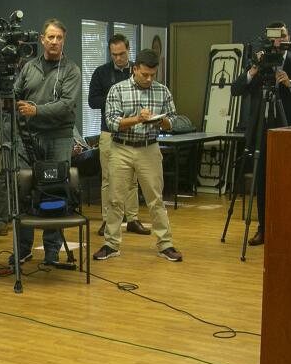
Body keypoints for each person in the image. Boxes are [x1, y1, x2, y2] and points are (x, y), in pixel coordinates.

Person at [230, 23, 291, 246]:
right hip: (262, 130)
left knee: (290, 181)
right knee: (262, 180)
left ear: (289, 37)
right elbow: (236, 89)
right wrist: (253, 70)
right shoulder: (258, 62)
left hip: (289, 130)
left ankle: (289, 227)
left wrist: (290, 84)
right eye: (274, 37)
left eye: (283, 36)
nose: (278, 41)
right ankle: (263, 228)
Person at [93, 49, 182, 262]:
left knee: (155, 199)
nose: (149, 79)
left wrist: (161, 121)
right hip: (121, 148)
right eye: (145, 74)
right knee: (115, 199)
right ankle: (111, 244)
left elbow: (174, 121)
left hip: (149, 148)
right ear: (135, 69)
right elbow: (112, 122)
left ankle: (165, 244)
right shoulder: (117, 90)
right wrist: (137, 119)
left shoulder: (162, 91)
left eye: (153, 75)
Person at [11, 18, 81, 266]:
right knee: (23, 190)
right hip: (27, 137)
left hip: (58, 137)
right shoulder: (29, 67)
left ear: (63, 40)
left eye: (59, 38)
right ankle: (22, 248)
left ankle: (52, 250)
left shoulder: (71, 69)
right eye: (50, 37)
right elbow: (15, 94)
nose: (54, 42)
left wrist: (36, 110)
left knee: (54, 190)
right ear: (42, 40)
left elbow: (65, 105)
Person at [87, 34, 148, 237]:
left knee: (132, 179)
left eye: (122, 54)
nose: (118, 58)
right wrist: (116, 98)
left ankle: (132, 219)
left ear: (128, 50)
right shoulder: (101, 72)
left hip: (133, 132)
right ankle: (107, 220)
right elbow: (93, 101)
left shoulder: (137, 72)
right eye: (114, 55)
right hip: (109, 132)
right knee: (108, 178)